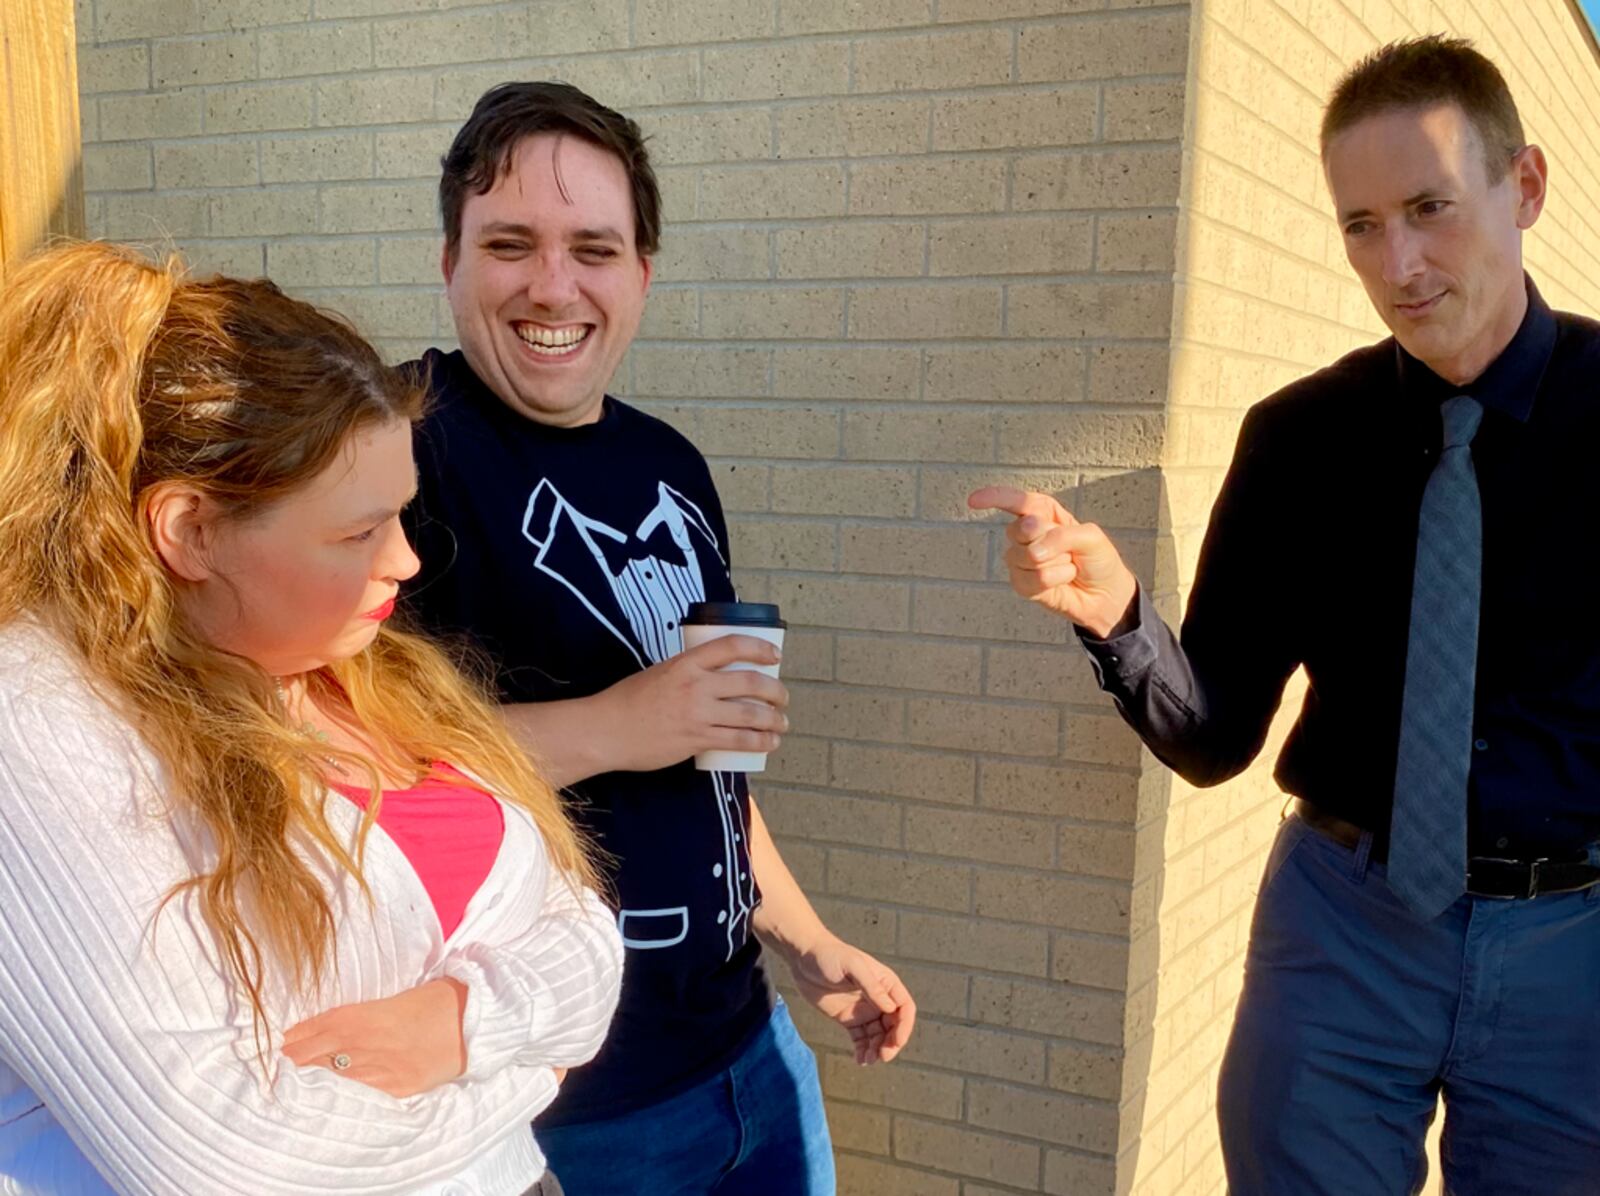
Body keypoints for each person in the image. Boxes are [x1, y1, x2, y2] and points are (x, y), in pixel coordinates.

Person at [972, 35, 1600, 1196]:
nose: (1397, 260)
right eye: (1359, 224)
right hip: (1343, 928)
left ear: (1525, 186)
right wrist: (1117, 617)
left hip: (1575, 944)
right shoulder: (1300, 436)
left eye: (1428, 207)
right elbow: (1212, 733)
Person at [0, 241, 623, 1195]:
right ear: (190, 530)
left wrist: (466, 1024)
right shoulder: (42, 718)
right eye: (358, 531)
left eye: (402, 516)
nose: (406, 562)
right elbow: (218, 1154)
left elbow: (583, 929)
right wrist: (523, 1072)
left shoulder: (355, 666)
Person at [400, 81, 916, 1195]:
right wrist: (618, 721)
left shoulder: (672, 465)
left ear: (642, 274)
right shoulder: (397, 450)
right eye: (509, 244)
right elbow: (337, 758)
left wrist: (808, 938)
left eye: (594, 247)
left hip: (750, 1051)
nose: (553, 285)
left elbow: (711, 759)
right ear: (449, 261)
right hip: (560, 1107)